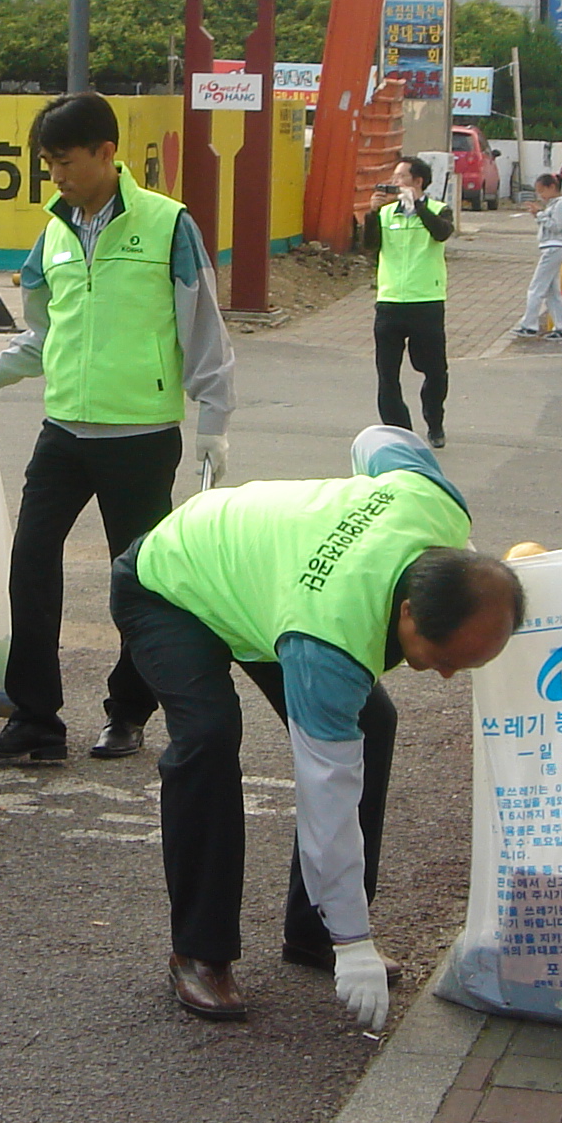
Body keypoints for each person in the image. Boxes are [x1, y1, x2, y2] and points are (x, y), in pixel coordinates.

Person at [113, 426, 525, 1026]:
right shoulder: (330, 642)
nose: (445, 677)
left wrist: (341, 933)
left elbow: (378, 437)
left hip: (265, 584)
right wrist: (358, 942)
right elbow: (325, 795)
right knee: (208, 735)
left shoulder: (434, 500)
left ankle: (314, 931)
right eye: (443, 657)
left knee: (371, 720)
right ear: (407, 610)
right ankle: (199, 953)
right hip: (171, 582)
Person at [0, 91, 237, 765]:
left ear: (107, 153)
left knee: (137, 582)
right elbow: (42, 336)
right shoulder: (53, 235)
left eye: (64, 161)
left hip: (139, 436)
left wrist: (214, 426)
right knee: (30, 565)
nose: (57, 177)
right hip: (64, 433)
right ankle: (37, 723)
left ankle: (128, 713)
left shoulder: (169, 227)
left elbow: (206, 336)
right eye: (47, 164)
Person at [362, 155, 456, 448]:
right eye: (394, 177)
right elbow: (369, 246)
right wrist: (371, 214)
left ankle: (434, 421)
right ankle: (399, 433)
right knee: (387, 374)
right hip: (390, 302)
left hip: (426, 303)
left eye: (401, 177)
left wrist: (417, 205)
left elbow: (441, 233)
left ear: (418, 182)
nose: (395, 183)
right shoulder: (386, 213)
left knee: (434, 370)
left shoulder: (439, 210)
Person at [513, 173, 562, 341]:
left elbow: (556, 226)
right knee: (551, 291)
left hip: (554, 247)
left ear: (551, 187)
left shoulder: (561, 203)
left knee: (536, 288)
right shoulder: (555, 204)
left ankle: (529, 325)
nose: (541, 195)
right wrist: (540, 214)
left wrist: (539, 214)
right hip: (553, 247)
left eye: (542, 191)